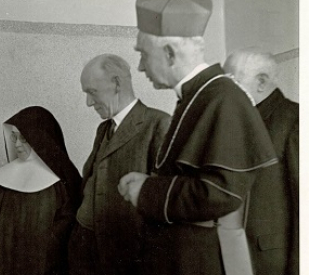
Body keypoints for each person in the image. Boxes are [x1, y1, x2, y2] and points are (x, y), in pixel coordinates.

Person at [117, 1, 279, 275]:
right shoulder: (200, 94)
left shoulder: (223, 97)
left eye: (143, 54)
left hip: (198, 261)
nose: (141, 66)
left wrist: (147, 191)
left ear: (169, 54)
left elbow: (219, 194)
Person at [68, 53, 170, 275]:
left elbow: (164, 200)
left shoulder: (158, 124)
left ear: (117, 83)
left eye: (92, 92)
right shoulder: (104, 129)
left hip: (130, 258)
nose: (88, 103)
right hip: (89, 253)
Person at [224, 48, 299, 275]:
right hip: (235, 257)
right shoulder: (236, 121)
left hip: (272, 262)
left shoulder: (294, 121)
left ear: (261, 82)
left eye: (232, 81)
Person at [0, 106, 82, 275]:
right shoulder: (8, 178)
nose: (17, 145)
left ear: (40, 139)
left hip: (42, 263)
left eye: (24, 139)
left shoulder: (60, 182)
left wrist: (46, 244)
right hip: (9, 260)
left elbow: (68, 224)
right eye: (14, 138)